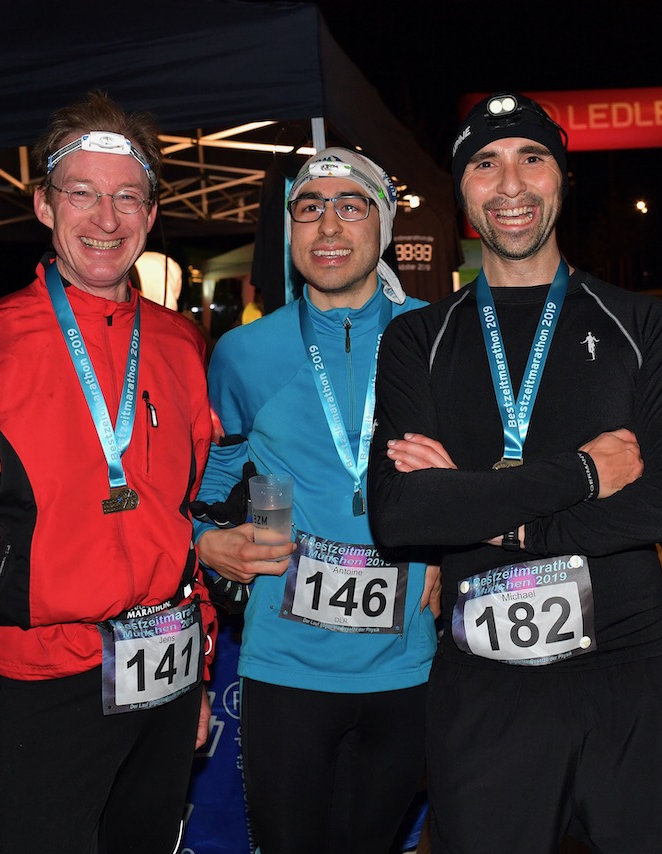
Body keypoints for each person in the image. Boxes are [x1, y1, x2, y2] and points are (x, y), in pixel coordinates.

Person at [367, 93, 662, 853]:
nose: (510, 184)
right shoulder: (417, 339)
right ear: (461, 193)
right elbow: (401, 515)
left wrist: (484, 507)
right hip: (485, 682)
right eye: (485, 164)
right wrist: (585, 472)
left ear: (562, 180)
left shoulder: (638, 324)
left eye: (532, 159)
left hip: (630, 677)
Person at [0, 91, 218, 853]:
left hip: (166, 675)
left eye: (126, 197)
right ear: (43, 205)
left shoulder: (178, 345)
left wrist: (198, 667)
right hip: (45, 687)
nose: (105, 219)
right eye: (82, 193)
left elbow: (187, 521)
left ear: (149, 212)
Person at [192, 147, 438, 853]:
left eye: (351, 206)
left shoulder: (435, 334)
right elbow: (209, 488)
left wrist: (455, 553)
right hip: (287, 665)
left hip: (407, 663)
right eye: (309, 208)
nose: (328, 227)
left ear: (383, 228)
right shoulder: (244, 353)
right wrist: (206, 545)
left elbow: (482, 471)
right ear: (291, 230)